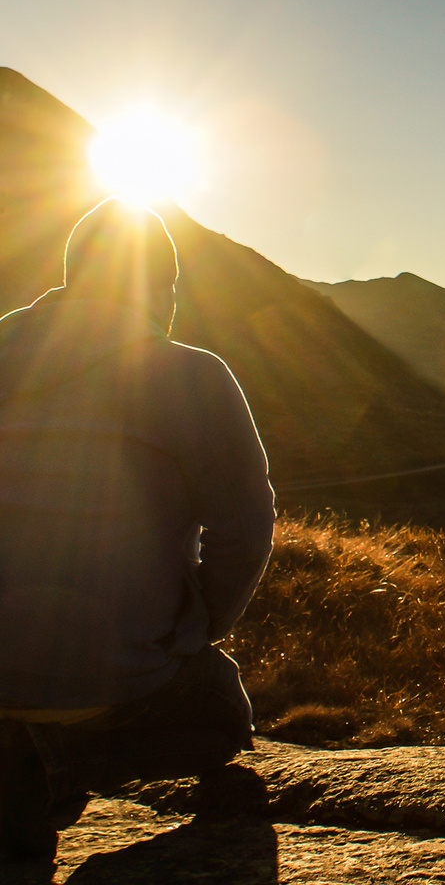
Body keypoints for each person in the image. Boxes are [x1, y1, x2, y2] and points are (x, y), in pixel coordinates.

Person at [0, 199, 275, 864]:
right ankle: (68, 764)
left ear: (69, 277)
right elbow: (245, 528)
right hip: (118, 671)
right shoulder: (192, 374)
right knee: (224, 713)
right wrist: (197, 628)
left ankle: (21, 765)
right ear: (163, 289)